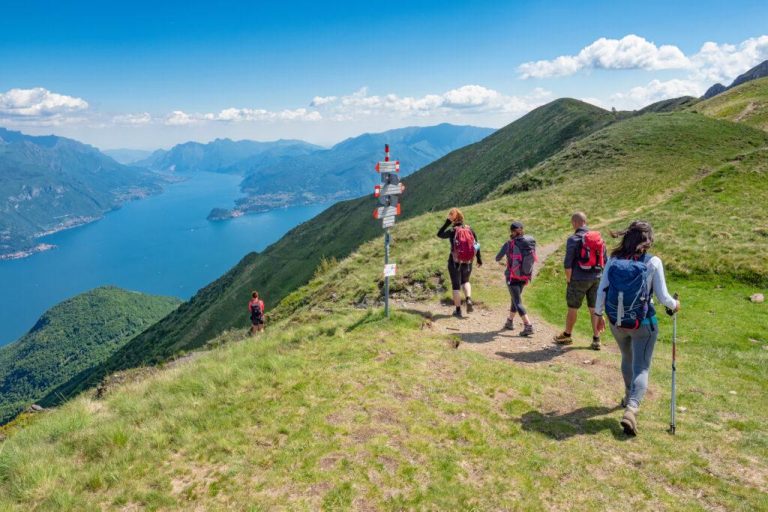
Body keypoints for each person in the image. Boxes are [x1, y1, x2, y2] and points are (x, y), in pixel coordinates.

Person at [593, 221, 680, 436]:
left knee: (626, 357)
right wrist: (675, 305)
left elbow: (602, 289)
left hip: (616, 321)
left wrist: (598, 315)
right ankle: (631, 409)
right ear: (648, 240)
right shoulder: (653, 262)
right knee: (641, 367)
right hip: (643, 322)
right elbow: (663, 297)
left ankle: (627, 395)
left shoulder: (613, 259)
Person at [554, 212, 605, 350]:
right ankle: (596, 339)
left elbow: (568, 264)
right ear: (585, 222)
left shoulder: (573, 239)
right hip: (596, 278)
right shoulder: (598, 238)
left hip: (578, 278)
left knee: (573, 307)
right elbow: (604, 260)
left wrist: (569, 280)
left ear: (574, 223)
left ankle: (567, 335)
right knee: (594, 309)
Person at [437, 208, 482, 318]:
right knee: (465, 281)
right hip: (468, 260)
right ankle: (468, 299)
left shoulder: (452, 231)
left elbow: (439, 234)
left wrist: (447, 222)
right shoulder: (469, 229)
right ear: (462, 218)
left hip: (455, 261)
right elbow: (476, 244)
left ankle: (458, 310)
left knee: (456, 286)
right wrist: (479, 259)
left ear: (453, 219)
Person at [495, 221, 537, 336]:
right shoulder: (530, 242)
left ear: (512, 232)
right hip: (524, 276)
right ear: (522, 230)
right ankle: (510, 321)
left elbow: (497, 258)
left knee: (517, 301)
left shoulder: (509, 243)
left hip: (512, 276)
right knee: (515, 298)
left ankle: (528, 325)